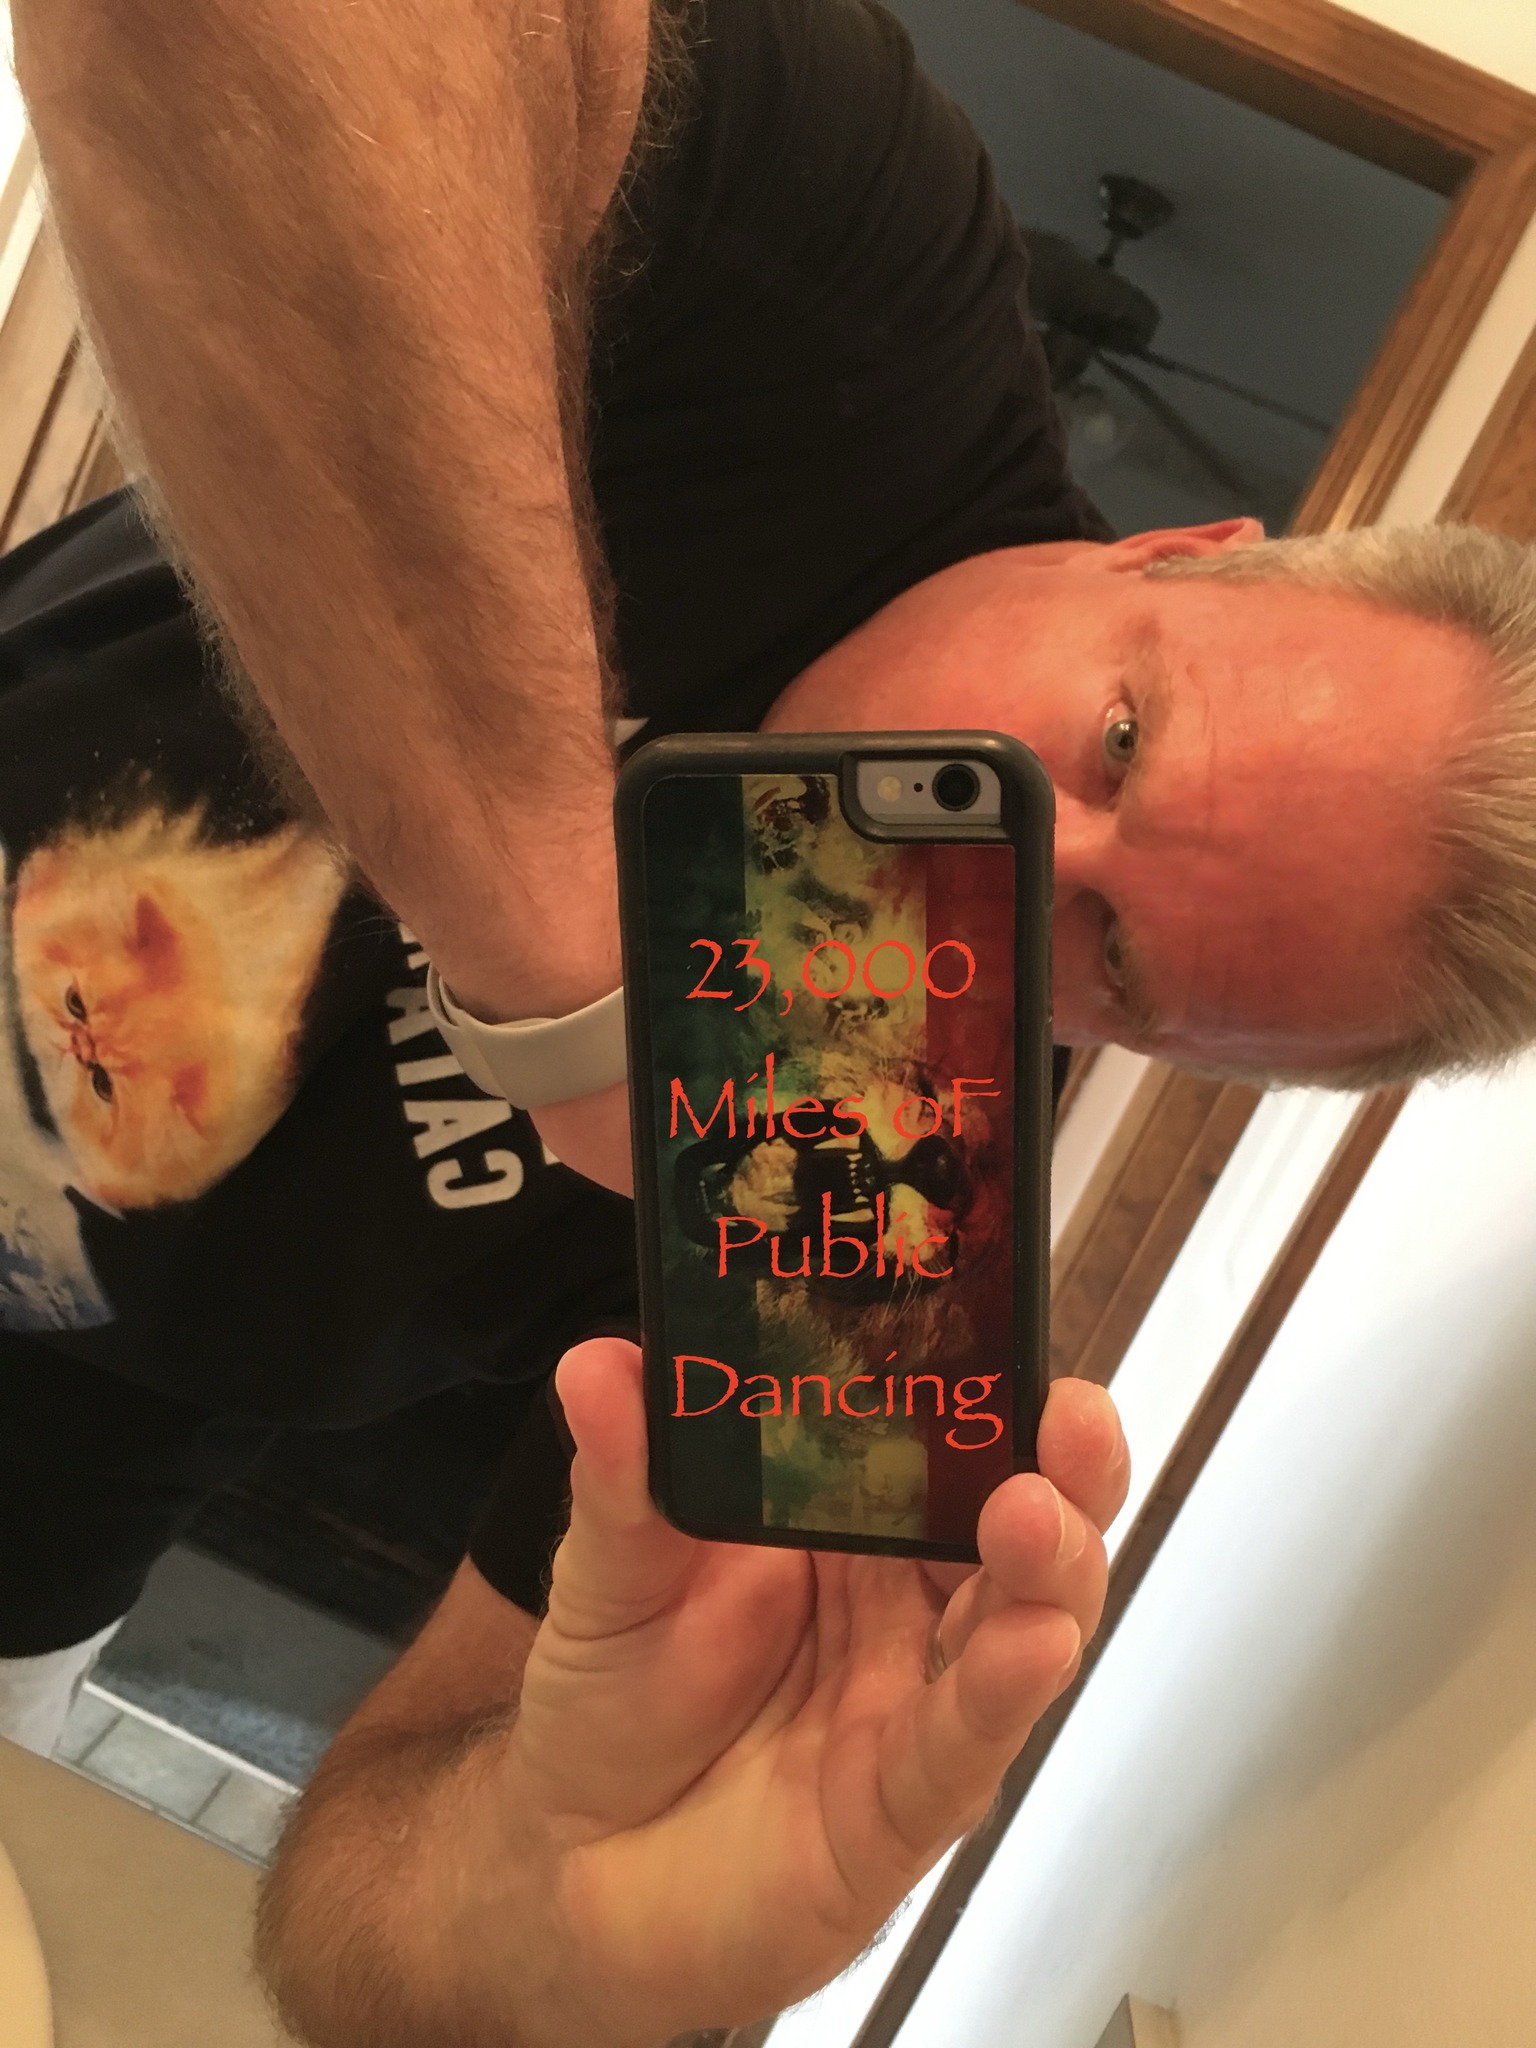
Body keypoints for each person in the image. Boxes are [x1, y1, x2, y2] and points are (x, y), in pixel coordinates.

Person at [9, 0, 1536, 2037]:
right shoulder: (864, 305)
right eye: (1122, 735)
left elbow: (356, 1939)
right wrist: (577, 983)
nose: (1026, 862)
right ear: (1182, 551)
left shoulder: (869, 1215)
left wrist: (544, 1899)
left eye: (1118, 960)